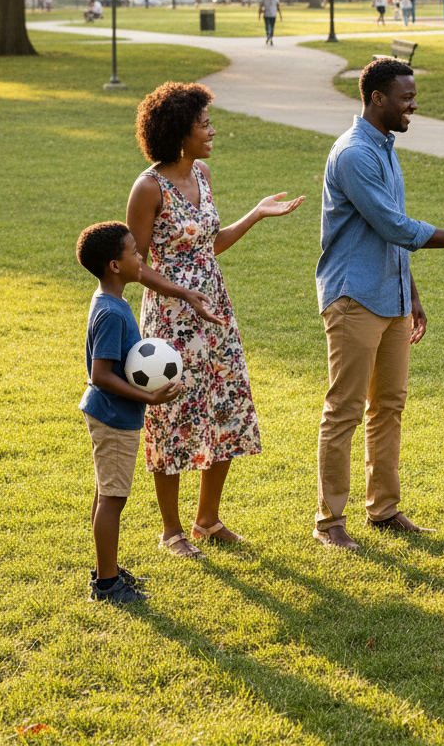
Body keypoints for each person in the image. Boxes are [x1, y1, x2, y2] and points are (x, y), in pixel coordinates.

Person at [315, 57, 444, 550]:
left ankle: (384, 509)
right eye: (406, 98)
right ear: (377, 99)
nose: (412, 105)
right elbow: (396, 226)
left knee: (389, 406)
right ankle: (330, 521)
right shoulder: (354, 153)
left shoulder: (384, 147)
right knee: (346, 410)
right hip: (354, 297)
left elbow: (389, 230)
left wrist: (410, 293)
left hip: (391, 297)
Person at [127, 82, 305, 557]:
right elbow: (135, 264)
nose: (212, 131)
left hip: (214, 311)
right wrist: (183, 292)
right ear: (177, 132)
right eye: (204, 124)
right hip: (171, 319)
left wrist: (256, 215)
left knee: (226, 406)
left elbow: (210, 243)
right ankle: (172, 531)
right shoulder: (148, 188)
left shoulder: (202, 174)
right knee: (173, 415)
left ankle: (207, 520)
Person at [76, 221, 182, 604]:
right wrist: (150, 399)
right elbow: (100, 374)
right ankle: (107, 586)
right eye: (134, 252)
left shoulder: (111, 301)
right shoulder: (113, 312)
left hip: (113, 413)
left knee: (106, 493)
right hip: (113, 416)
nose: (141, 258)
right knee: (113, 499)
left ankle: (108, 571)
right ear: (115, 266)